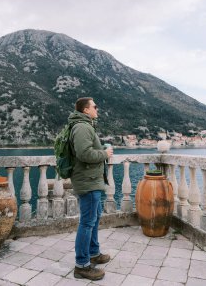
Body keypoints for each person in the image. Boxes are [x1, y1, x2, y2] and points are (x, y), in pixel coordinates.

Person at [68, 97, 113, 281]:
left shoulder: (85, 126)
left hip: (92, 181)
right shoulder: (82, 127)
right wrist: (105, 153)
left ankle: (93, 253)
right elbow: (84, 153)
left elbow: (86, 149)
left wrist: (101, 148)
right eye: (95, 106)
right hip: (88, 182)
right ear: (86, 110)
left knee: (94, 219)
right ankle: (82, 266)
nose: (97, 109)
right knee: (87, 223)